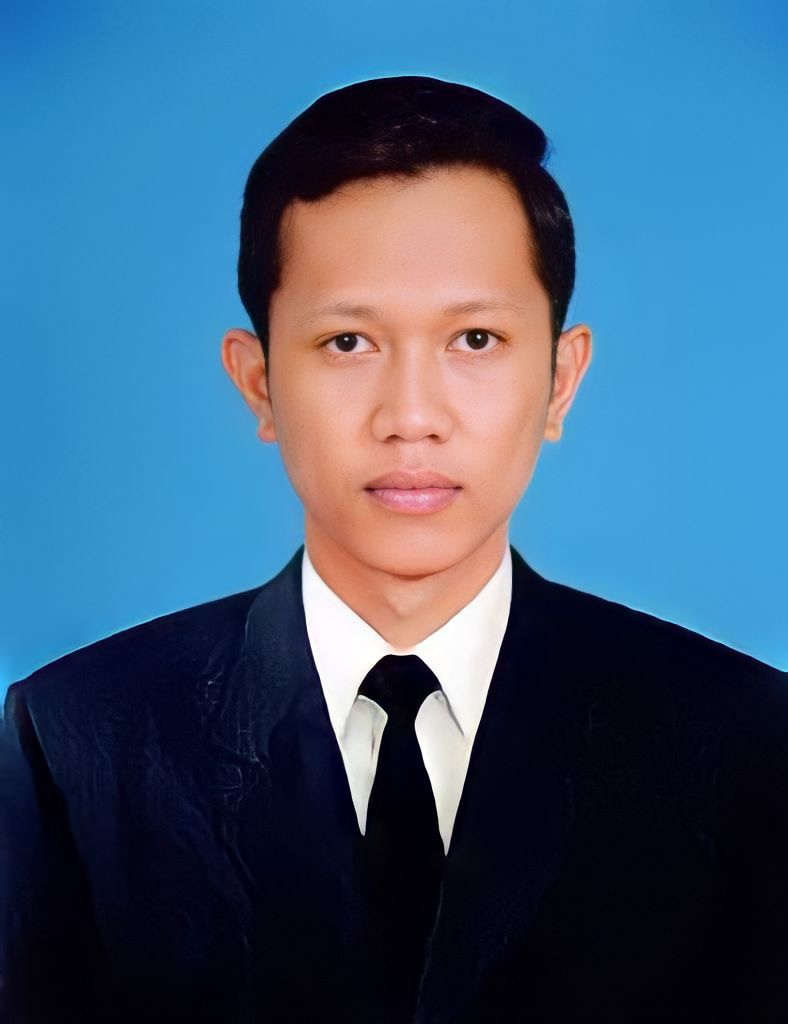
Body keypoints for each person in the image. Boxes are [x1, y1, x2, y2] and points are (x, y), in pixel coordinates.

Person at [1, 75, 786, 1024]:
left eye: (476, 338)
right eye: (347, 343)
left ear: (560, 380)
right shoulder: (79, 742)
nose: (411, 417)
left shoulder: (742, 738)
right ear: (258, 382)